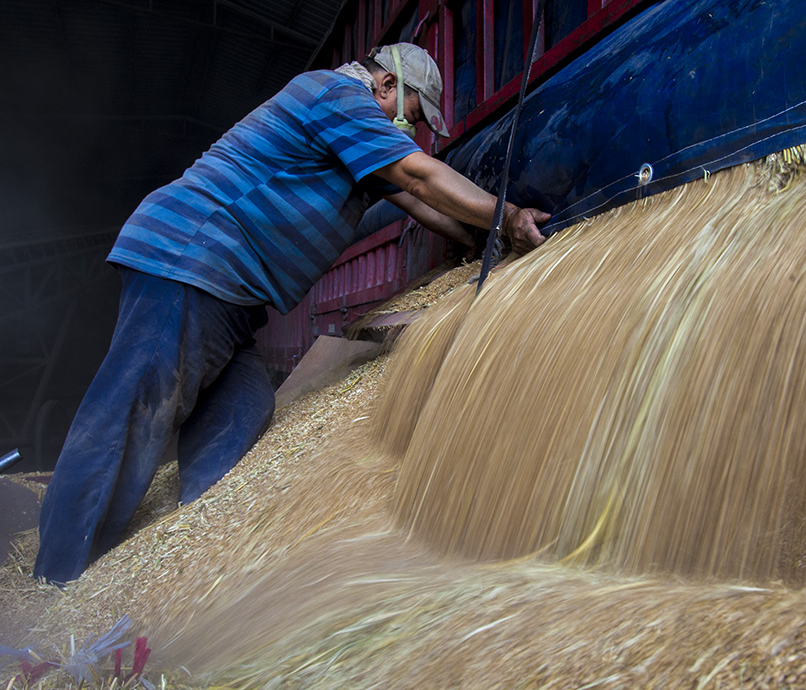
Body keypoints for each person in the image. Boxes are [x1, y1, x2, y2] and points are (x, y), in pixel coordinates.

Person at [34, 42, 549, 585]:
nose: (410, 132)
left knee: (246, 405)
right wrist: (508, 217)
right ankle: (59, 577)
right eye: (413, 117)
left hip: (228, 292)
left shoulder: (355, 137)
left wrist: (476, 243)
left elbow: (417, 201)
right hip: (190, 256)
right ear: (390, 88)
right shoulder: (336, 95)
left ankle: (185, 542)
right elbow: (419, 177)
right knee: (134, 410)